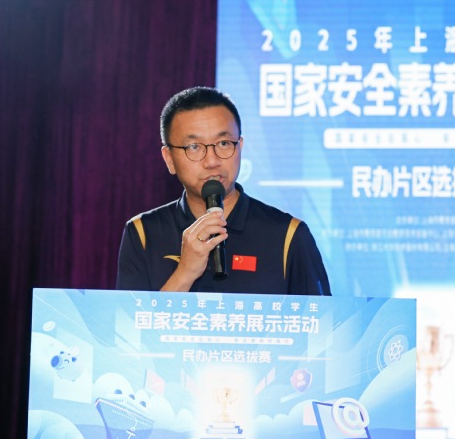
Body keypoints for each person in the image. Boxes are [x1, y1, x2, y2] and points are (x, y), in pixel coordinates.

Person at [116, 86, 331, 295]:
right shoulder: (143, 233)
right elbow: (131, 320)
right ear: (169, 159)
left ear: (240, 147)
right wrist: (185, 273)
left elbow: (320, 318)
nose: (212, 161)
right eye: (194, 147)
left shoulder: (288, 235)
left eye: (224, 143)